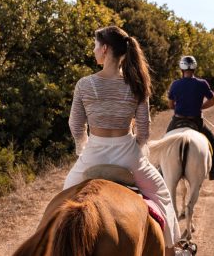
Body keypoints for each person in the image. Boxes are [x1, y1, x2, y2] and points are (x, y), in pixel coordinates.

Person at [64, 26, 194, 255]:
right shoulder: (136, 85)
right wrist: (137, 148)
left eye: (95, 45)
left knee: (60, 201)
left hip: (93, 154)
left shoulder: (84, 84)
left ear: (104, 49)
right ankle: (171, 248)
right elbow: (144, 131)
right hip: (128, 156)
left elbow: (75, 126)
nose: (94, 50)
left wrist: (83, 147)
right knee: (162, 194)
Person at [167, 55, 214, 180]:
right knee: (212, 141)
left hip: (178, 120)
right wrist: (200, 107)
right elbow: (213, 101)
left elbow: (170, 104)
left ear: (181, 69)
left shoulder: (175, 84)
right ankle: (213, 171)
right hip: (196, 122)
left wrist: (179, 107)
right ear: (194, 69)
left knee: (165, 140)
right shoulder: (202, 83)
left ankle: (161, 169)